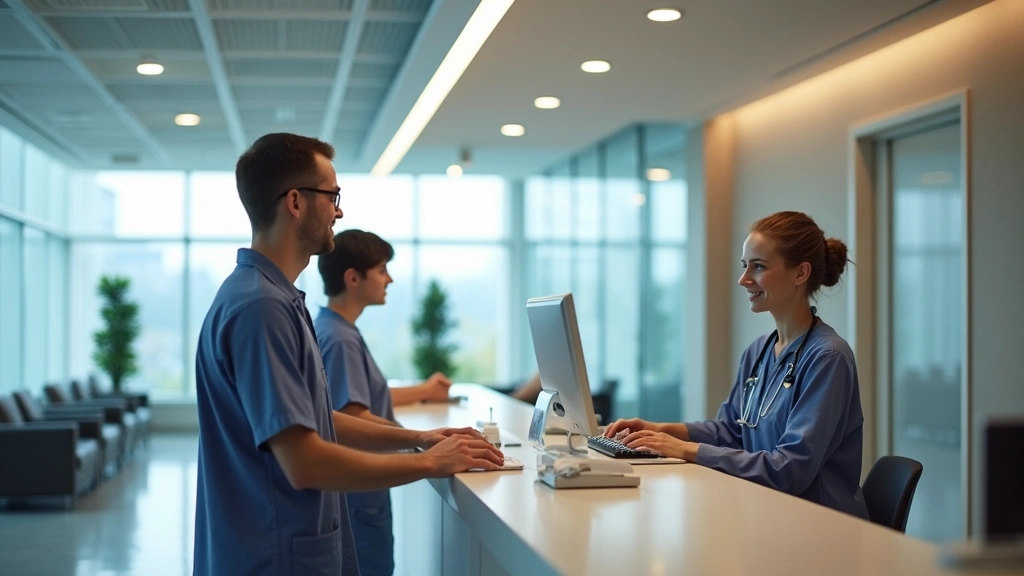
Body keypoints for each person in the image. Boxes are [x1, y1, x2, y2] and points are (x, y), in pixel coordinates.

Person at [193, 133, 503, 576]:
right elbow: (303, 461)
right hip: (273, 555)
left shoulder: (273, 298)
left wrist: (417, 439)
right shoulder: (261, 308)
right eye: (333, 196)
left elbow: (316, 416)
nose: (340, 210)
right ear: (295, 202)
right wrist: (428, 463)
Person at [604, 211, 869, 519]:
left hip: (818, 523)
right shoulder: (759, 350)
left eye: (758, 267)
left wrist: (679, 448)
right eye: (745, 266)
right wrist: (657, 430)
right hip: (764, 509)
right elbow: (731, 432)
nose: (744, 279)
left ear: (800, 274)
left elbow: (790, 469)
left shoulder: (827, 357)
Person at [314, 229, 453, 576]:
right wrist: (420, 439)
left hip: (359, 497)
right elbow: (351, 415)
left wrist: (423, 390)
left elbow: (364, 394)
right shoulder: (340, 339)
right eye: (381, 270)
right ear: (353, 278)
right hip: (360, 500)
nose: (389, 279)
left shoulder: (335, 328)